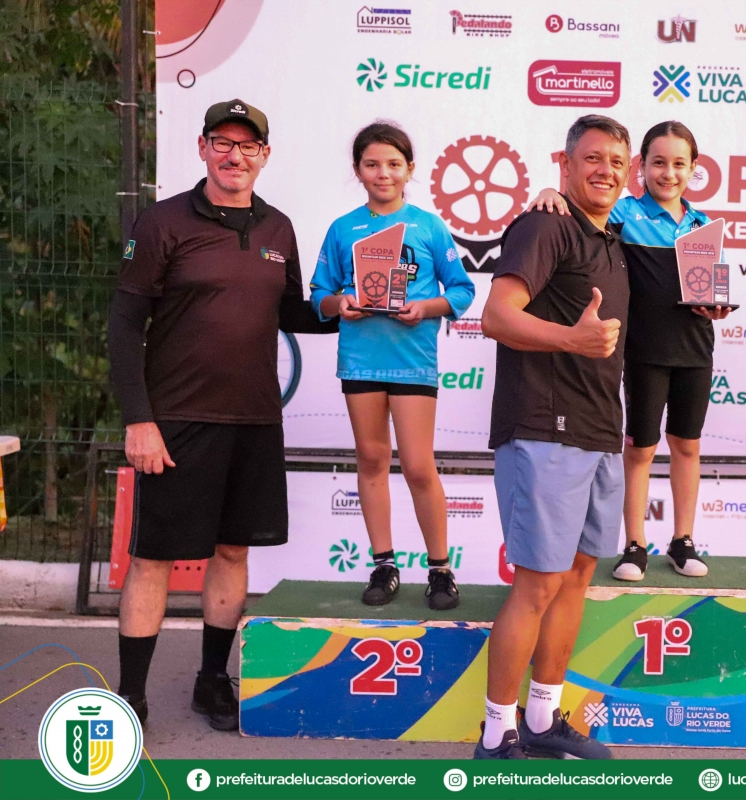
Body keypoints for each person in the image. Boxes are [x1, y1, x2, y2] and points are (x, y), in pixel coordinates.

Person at [107, 99, 338, 730]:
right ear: (204, 148)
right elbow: (125, 326)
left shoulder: (278, 228)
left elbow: (289, 313)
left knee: (233, 553)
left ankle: (212, 680)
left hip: (255, 419)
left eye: (248, 145)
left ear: (265, 155)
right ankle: (130, 697)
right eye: (223, 143)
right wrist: (139, 420)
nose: (235, 156)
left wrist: (345, 307)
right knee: (153, 559)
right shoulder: (162, 222)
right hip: (176, 422)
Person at [475, 114, 632, 759]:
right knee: (538, 584)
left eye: (617, 161)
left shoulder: (614, 238)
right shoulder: (545, 225)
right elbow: (495, 316)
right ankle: (496, 733)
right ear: (563, 165)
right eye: (592, 158)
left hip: (600, 430)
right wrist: (572, 338)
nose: (606, 171)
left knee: (576, 579)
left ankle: (541, 719)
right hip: (545, 429)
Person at [528, 121, 729, 582]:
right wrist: (549, 191)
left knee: (688, 445)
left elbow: (714, 287)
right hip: (641, 353)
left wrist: (717, 307)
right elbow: (579, 213)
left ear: (693, 169)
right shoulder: (623, 213)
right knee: (640, 449)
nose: (668, 173)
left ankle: (683, 540)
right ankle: (635, 544)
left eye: (679, 164)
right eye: (658, 163)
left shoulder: (703, 226)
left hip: (696, 350)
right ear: (641, 167)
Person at [309, 122, 475, 609]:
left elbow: (462, 289)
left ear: (410, 170)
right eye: (372, 164)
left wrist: (426, 307)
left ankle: (440, 569)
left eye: (393, 164)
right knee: (372, 458)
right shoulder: (343, 229)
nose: (383, 173)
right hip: (360, 361)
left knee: (419, 466)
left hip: (412, 361)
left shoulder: (428, 226)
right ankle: (384, 564)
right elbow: (319, 294)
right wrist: (341, 304)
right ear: (358, 170)